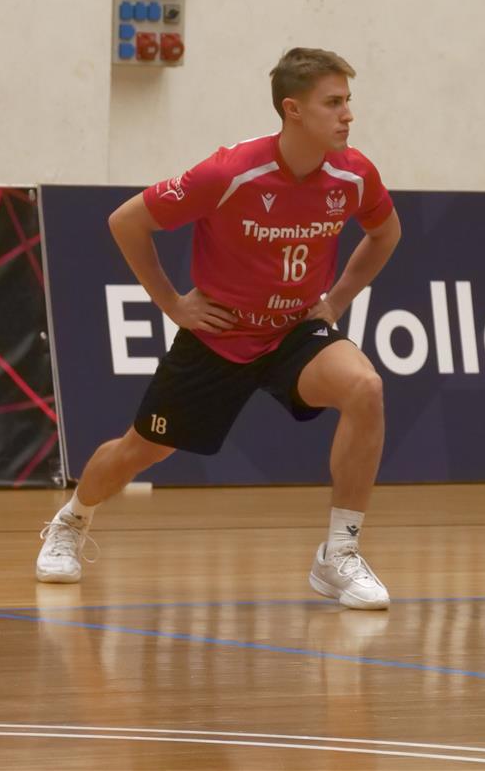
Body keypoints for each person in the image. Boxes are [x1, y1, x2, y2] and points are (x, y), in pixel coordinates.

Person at [36, 47, 401, 610]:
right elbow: (127, 221)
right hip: (220, 335)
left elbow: (385, 234)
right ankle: (71, 520)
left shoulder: (354, 174)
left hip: (294, 332)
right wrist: (172, 304)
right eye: (333, 103)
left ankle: (340, 554)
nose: (348, 114)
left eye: (348, 101)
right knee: (142, 450)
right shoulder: (229, 172)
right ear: (293, 110)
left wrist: (335, 302)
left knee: (365, 388)